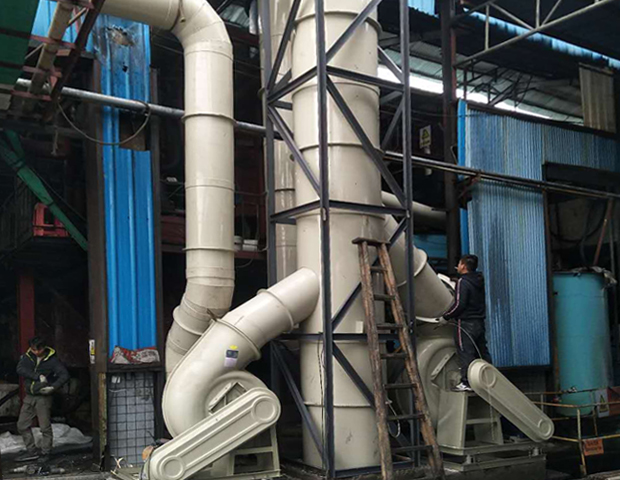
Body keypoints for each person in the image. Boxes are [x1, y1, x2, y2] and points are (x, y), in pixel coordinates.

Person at [442, 254, 491, 392]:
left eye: (459, 263)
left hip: (465, 323)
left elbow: (459, 304)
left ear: (463, 266)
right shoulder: (479, 279)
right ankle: (488, 378)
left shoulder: (462, 282)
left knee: (465, 352)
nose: (457, 266)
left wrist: (446, 316)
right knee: (481, 351)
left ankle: (467, 382)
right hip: (479, 322)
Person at [15, 337, 69, 462]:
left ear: (44, 348)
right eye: (33, 349)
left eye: (38, 350)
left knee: (45, 427)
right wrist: (37, 376)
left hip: (43, 397)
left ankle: (46, 452)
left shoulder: (53, 360)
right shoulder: (27, 357)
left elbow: (64, 375)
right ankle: (31, 451)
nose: (36, 352)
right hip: (30, 395)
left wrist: (53, 387)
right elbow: (20, 369)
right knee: (22, 425)